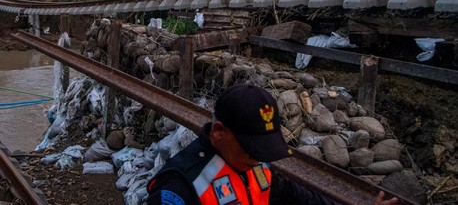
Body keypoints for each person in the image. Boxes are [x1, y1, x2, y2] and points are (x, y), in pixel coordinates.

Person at [147, 84, 401, 205]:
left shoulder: (255, 168)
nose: (257, 157)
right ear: (219, 133)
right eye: (250, 146)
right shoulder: (181, 184)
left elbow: (300, 199)